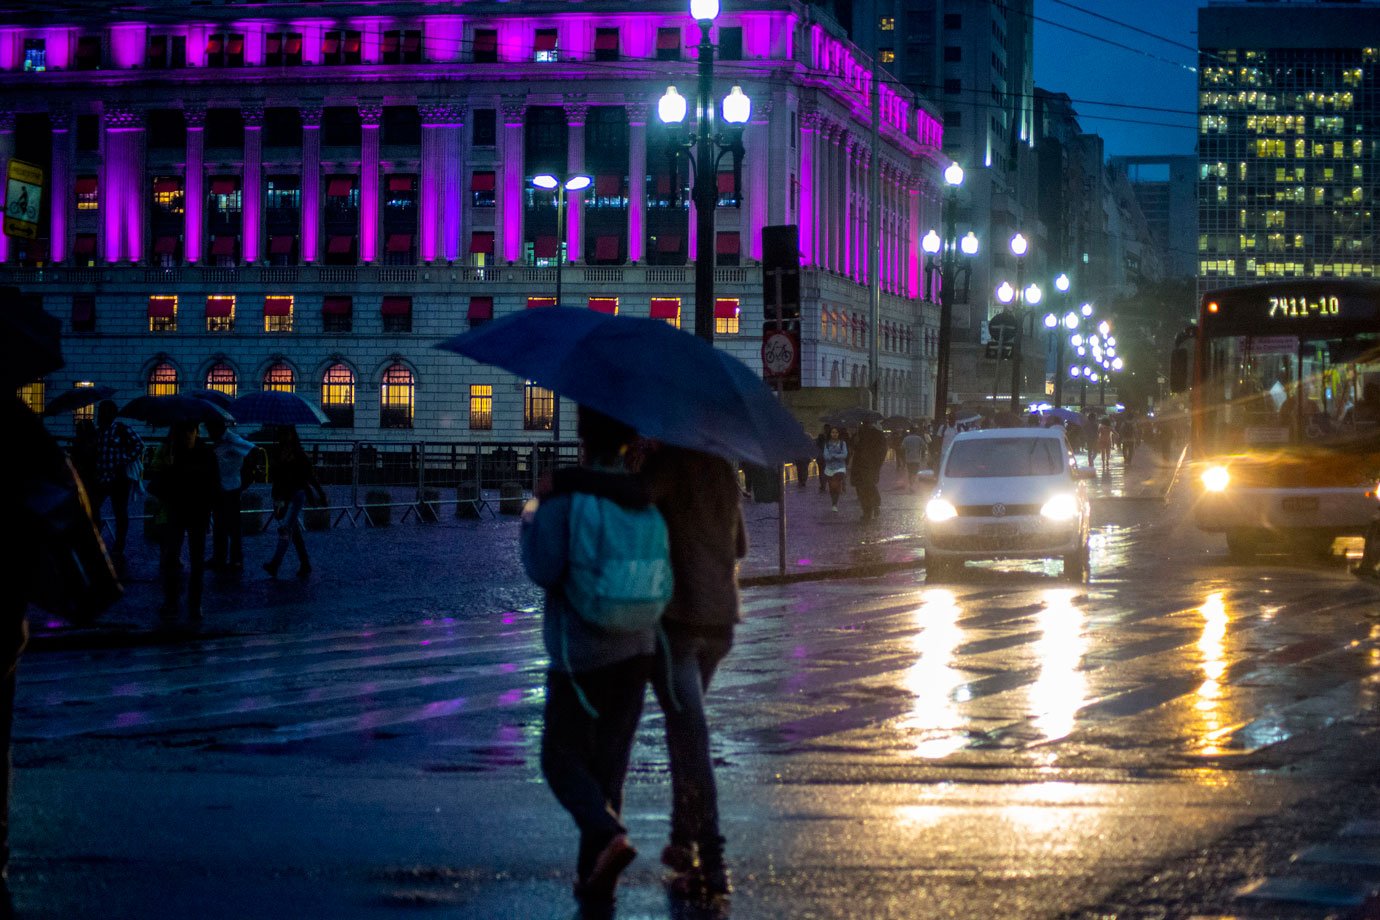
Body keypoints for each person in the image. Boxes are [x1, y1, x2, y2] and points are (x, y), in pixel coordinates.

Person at [521, 406, 666, 905]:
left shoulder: (567, 498)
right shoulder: (642, 500)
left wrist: (531, 514)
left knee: (560, 759)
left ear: (583, 442)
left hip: (580, 653)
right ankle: (596, 876)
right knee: (609, 770)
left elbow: (543, 568)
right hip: (639, 646)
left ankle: (606, 839)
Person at [641, 445, 747, 899]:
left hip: (677, 621)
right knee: (685, 730)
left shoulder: (664, 466)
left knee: (691, 736)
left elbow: (632, 507)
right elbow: (739, 545)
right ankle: (682, 841)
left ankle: (713, 857)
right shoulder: (722, 468)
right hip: (720, 622)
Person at [147, 421, 218, 622]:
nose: (188, 436)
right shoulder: (171, 452)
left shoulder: (205, 453)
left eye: (191, 431)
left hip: (197, 512)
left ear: (197, 431)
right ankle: (172, 600)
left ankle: (194, 604)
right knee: (171, 558)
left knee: (197, 561)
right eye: (184, 432)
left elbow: (212, 484)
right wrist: (167, 469)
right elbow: (156, 486)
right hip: (176, 511)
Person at [263, 427, 327, 579]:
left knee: (286, 529)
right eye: (282, 433)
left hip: (295, 495)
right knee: (294, 531)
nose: (284, 437)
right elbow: (274, 476)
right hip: (282, 496)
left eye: (287, 433)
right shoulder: (278, 452)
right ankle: (305, 563)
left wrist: (320, 493)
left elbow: (310, 476)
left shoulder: (299, 455)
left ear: (292, 435)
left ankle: (275, 564)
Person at [93, 399, 144, 563]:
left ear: (112, 414)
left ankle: (119, 544)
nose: (101, 415)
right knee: (94, 507)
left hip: (118, 477)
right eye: (100, 411)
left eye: (104, 412)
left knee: (119, 511)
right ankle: (100, 536)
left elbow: (139, 445)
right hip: (101, 476)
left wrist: (125, 459)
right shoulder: (99, 431)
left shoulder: (121, 429)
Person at [204, 417, 255, 572]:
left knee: (232, 526)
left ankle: (235, 559)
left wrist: (246, 477)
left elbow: (252, 450)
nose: (208, 433)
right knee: (220, 524)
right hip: (220, 487)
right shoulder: (220, 441)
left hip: (231, 488)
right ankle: (220, 557)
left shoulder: (232, 439)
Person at [851, 418, 887, 522]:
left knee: (867, 487)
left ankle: (870, 509)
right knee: (863, 488)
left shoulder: (877, 435)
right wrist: (855, 441)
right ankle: (870, 509)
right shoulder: (859, 433)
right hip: (861, 466)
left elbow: (882, 450)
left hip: (870, 466)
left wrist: (877, 463)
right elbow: (854, 448)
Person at [822, 426, 849, 512]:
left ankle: (835, 504)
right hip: (829, 468)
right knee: (831, 486)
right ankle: (833, 502)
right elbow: (826, 456)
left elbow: (844, 454)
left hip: (840, 468)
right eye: (833, 432)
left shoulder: (842, 443)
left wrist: (834, 456)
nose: (834, 434)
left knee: (836, 484)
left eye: (836, 432)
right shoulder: (827, 444)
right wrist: (835, 456)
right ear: (830, 433)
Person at [900, 427, 927, 491]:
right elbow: (925, 447)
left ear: (910, 431)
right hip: (916, 459)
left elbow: (902, 448)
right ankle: (912, 484)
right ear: (915, 431)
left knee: (910, 472)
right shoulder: (919, 438)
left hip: (908, 459)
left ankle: (911, 484)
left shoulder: (906, 438)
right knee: (915, 472)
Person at [815, 423, 832, 493]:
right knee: (822, 471)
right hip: (822, 457)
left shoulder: (831, 437)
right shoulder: (821, 436)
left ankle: (825, 485)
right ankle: (823, 485)